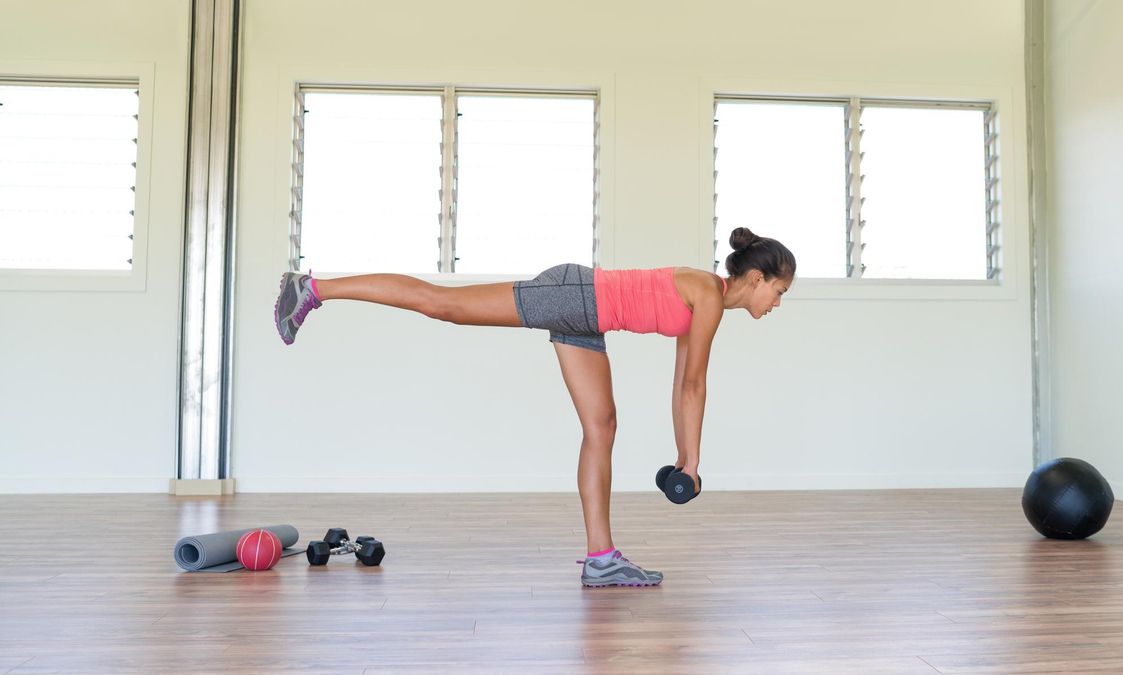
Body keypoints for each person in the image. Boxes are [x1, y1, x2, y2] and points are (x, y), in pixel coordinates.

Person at [274, 226, 796, 587]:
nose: (777, 304)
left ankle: (601, 560)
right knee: (445, 304)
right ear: (755, 279)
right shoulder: (707, 295)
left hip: (587, 314)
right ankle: (313, 288)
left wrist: (686, 458)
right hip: (577, 296)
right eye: (778, 290)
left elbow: (685, 380)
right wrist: (693, 463)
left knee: (602, 427)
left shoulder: (705, 298)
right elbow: (694, 385)